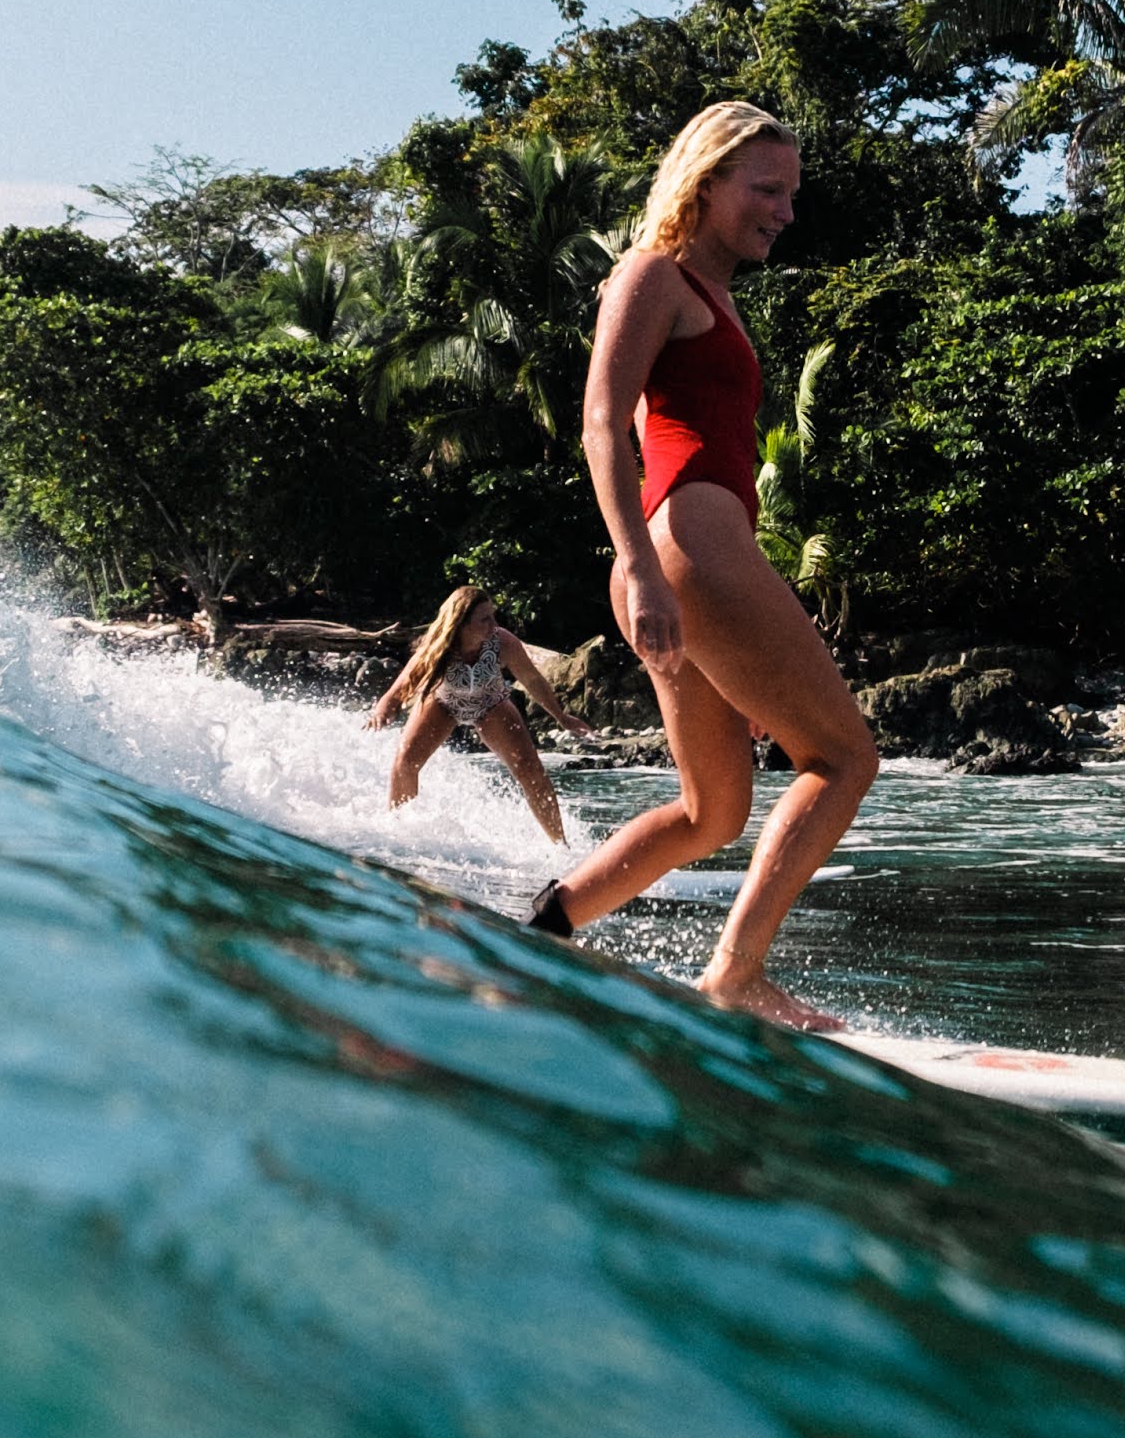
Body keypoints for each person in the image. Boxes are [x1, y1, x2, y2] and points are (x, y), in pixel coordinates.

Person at [522, 101, 880, 1029]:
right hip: (683, 546)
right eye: (767, 189)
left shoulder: (716, 297)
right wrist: (640, 569)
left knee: (713, 811)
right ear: (707, 179)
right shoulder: (651, 274)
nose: (784, 211)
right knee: (843, 757)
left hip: (695, 554)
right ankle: (735, 972)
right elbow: (603, 425)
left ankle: (545, 929)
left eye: (791, 194)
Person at [363, 584, 582, 845]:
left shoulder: (503, 642)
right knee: (406, 760)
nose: (493, 625)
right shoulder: (437, 648)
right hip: (443, 704)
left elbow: (533, 680)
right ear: (462, 623)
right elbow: (399, 689)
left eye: (493, 616)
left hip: (491, 704)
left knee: (531, 770)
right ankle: (398, 831)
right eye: (485, 619)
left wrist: (561, 716)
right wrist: (383, 711)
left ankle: (561, 845)